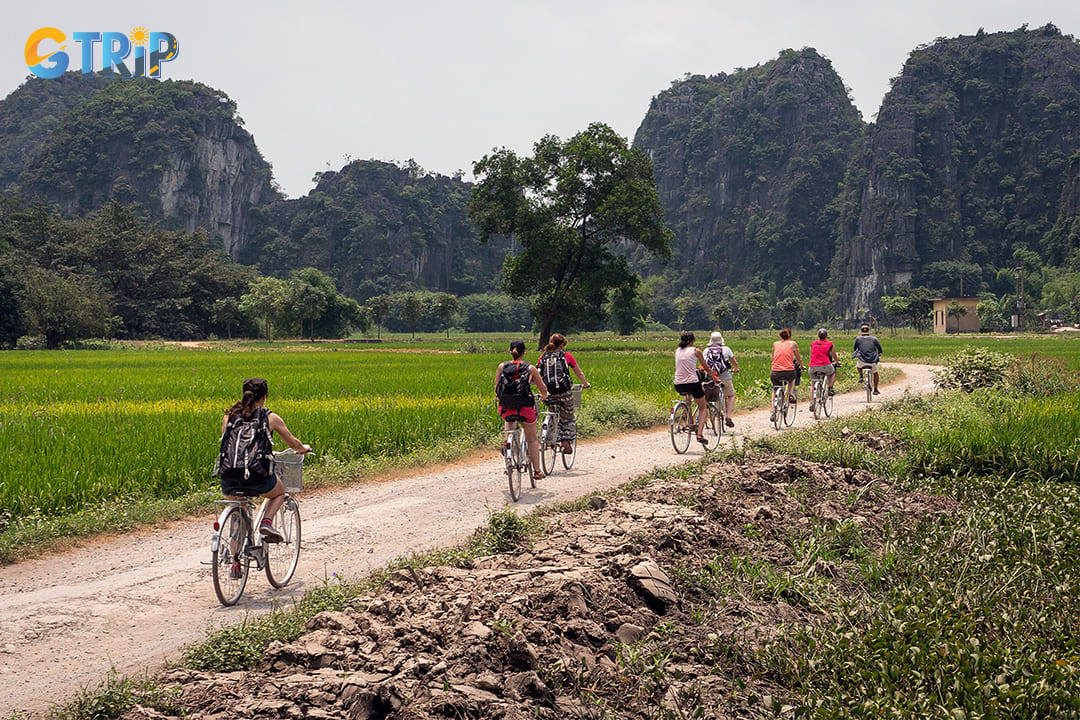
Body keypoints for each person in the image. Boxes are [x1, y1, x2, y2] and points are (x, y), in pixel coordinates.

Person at [218, 378, 310, 549]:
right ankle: (266, 523)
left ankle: (235, 564)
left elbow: (230, 444)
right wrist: (302, 448)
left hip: (229, 476)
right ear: (265, 396)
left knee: (240, 517)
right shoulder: (270, 418)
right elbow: (293, 444)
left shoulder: (229, 416)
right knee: (279, 493)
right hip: (257, 476)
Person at [495, 339, 550, 478]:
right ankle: (537, 471)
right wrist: (545, 395)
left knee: (509, 421)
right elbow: (542, 388)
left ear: (510, 351)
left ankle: (508, 444)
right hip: (525, 408)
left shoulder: (502, 366)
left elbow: (497, 389)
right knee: (532, 439)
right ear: (524, 351)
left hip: (505, 408)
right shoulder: (530, 368)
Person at [537, 333, 590, 454]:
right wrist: (585, 384)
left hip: (548, 394)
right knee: (567, 417)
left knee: (551, 411)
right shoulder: (567, 356)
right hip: (564, 393)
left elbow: (537, 374)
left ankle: (548, 438)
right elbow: (578, 373)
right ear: (561, 345)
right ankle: (565, 441)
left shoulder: (543, 357)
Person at [673, 331, 719, 445]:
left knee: (687, 394)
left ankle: (685, 412)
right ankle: (699, 434)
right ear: (692, 341)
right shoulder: (696, 351)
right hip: (693, 383)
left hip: (678, 384)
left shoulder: (676, 351)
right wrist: (714, 378)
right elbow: (706, 367)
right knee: (702, 407)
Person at [701, 331, 738, 428]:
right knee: (731, 395)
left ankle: (703, 417)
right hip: (725, 377)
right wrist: (735, 369)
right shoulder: (726, 349)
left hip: (711, 378)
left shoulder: (706, 350)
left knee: (706, 396)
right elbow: (734, 362)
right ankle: (728, 416)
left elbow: (704, 365)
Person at [770, 328, 802, 422]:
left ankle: (773, 411)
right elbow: (798, 358)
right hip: (789, 371)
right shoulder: (793, 344)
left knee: (775, 390)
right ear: (790, 336)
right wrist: (800, 365)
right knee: (792, 378)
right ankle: (791, 394)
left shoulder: (775, 344)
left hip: (775, 372)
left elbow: (773, 356)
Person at [853, 323, 884, 394]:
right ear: (868, 331)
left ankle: (861, 375)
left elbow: (855, 349)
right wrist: (879, 353)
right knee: (875, 373)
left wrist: (856, 354)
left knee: (858, 366)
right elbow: (880, 349)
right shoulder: (874, 338)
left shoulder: (858, 339)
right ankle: (875, 389)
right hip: (872, 361)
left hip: (862, 361)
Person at [809, 328, 840, 396]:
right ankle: (830, 388)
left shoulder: (813, 343)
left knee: (813, 384)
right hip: (825, 366)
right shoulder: (830, 344)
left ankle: (812, 402)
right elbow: (834, 355)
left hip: (812, 367)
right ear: (826, 336)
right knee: (833, 372)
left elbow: (811, 355)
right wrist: (837, 362)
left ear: (818, 335)